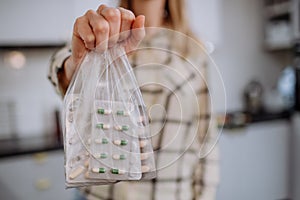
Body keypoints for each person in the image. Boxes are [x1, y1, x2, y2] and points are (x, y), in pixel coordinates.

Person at [48, 0, 219, 199]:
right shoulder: (105, 35)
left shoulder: (193, 51)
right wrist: (76, 65)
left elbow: (207, 137)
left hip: (170, 193)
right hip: (100, 194)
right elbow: (59, 67)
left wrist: (205, 195)